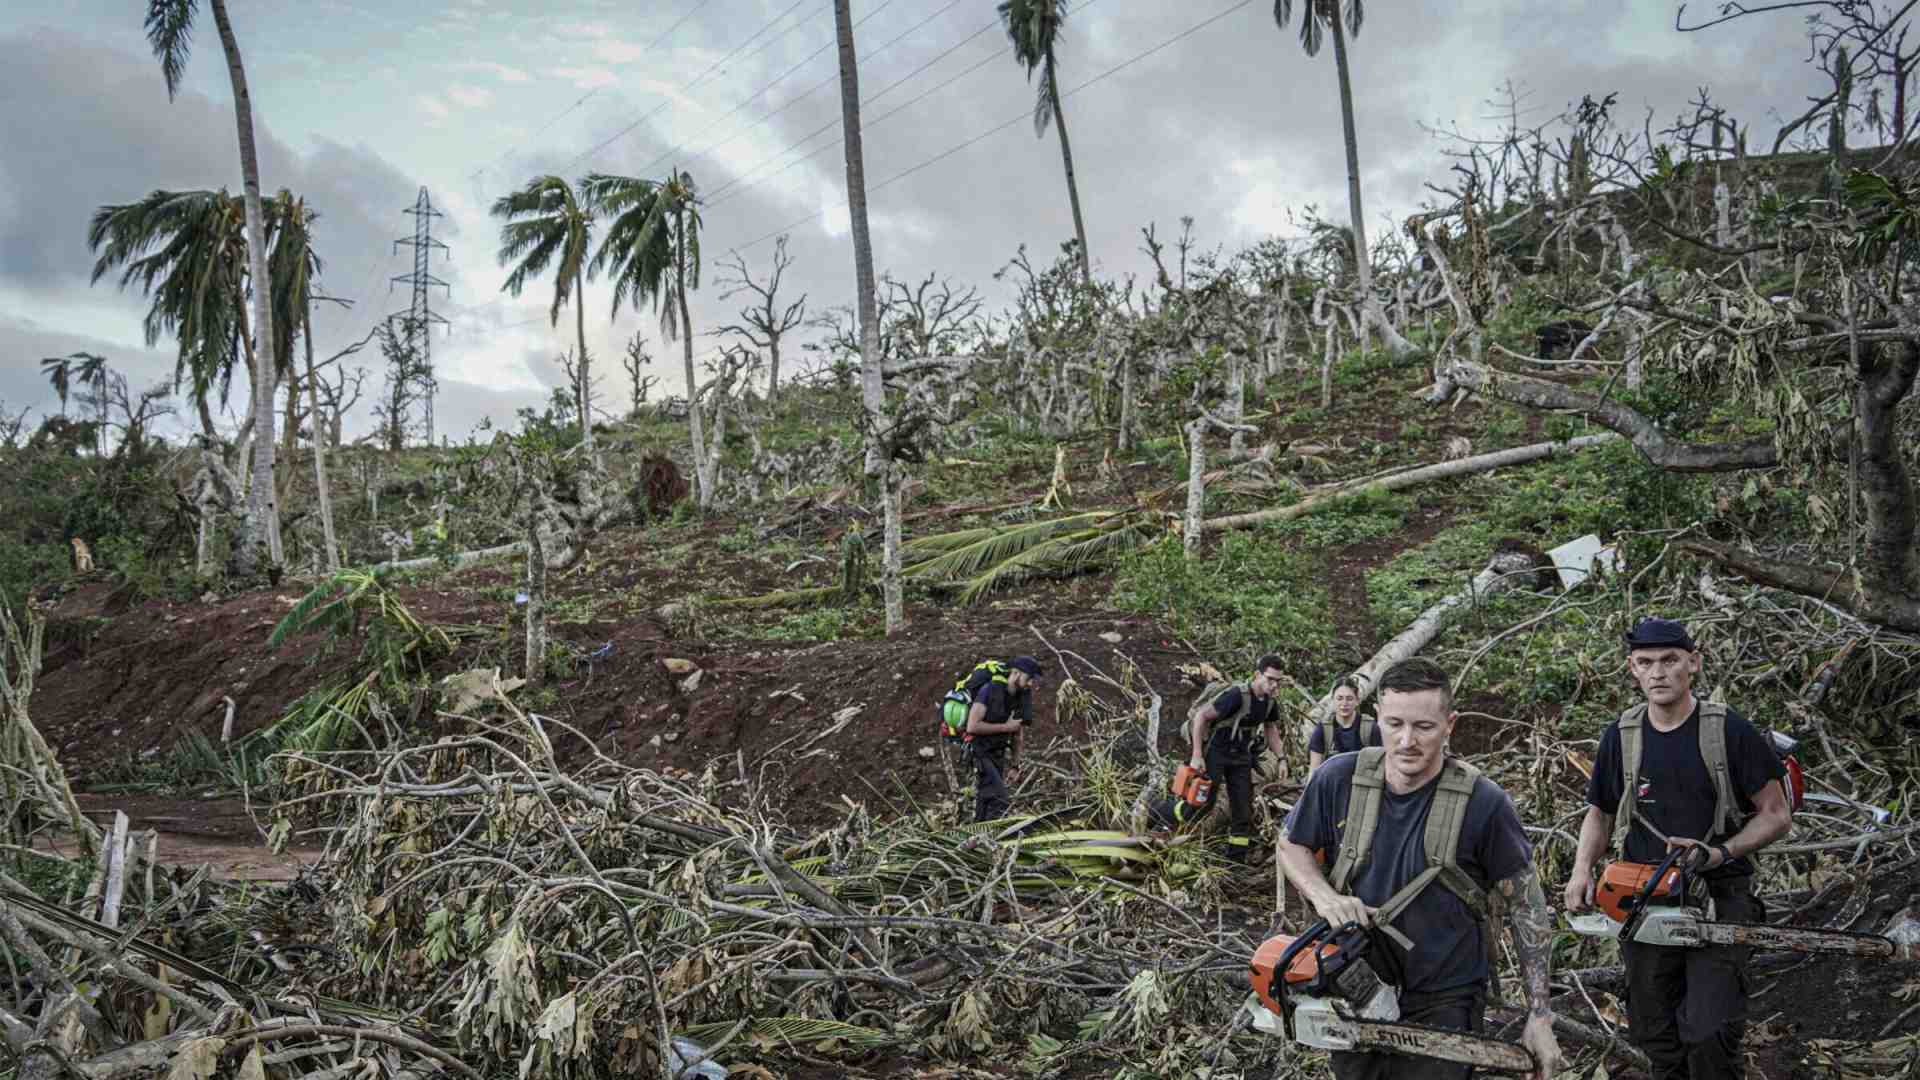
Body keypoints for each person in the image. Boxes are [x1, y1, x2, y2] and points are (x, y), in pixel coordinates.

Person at [1278, 658, 1562, 1080]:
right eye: (1394, 724)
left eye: (1424, 727)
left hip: (1445, 996)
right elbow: (1291, 843)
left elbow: (1526, 905)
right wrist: (1326, 897)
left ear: (1450, 724)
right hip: (1357, 987)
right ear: (1378, 720)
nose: (1407, 740)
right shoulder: (1338, 778)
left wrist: (1540, 1015)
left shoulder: (1484, 803)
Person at [1563, 617, 1792, 1080]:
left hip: (1720, 895)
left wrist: (1719, 853)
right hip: (1644, 897)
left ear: (1693, 663)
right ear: (1632, 669)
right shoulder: (1622, 735)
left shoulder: (1728, 730)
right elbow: (1600, 813)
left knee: (1707, 1030)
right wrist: (1581, 870)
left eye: (1669, 660)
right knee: (1654, 1032)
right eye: (1646, 663)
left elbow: (1776, 813)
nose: (1658, 672)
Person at [1186, 655, 1290, 862]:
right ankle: (1162, 817)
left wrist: (1281, 758)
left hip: (1241, 758)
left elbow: (1271, 729)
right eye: (1270, 679)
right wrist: (1197, 754)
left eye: (1278, 681)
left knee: (1243, 811)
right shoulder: (1236, 695)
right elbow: (1201, 716)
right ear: (1258, 675)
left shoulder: (1269, 703)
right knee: (1202, 803)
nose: (1274, 685)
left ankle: (1234, 864)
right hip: (1216, 753)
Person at [964, 655, 1043, 823]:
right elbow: (972, 726)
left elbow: (1017, 734)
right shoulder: (989, 690)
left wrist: (1015, 765)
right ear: (1015, 673)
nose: (1030, 684)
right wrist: (1005, 727)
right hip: (980, 751)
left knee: (985, 798)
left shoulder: (1021, 697)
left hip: (998, 754)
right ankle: (994, 839)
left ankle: (977, 835)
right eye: (1028, 679)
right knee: (1000, 799)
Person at [1308, 675, 1382, 775]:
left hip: (1361, 785)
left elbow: (1379, 766)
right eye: (1339, 698)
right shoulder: (1323, 729)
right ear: (1333, 700)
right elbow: (1314, 770)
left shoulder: (1370, 728)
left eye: (1349, 698)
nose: (1344, 703)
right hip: (1331, 784)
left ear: (1357, 701)